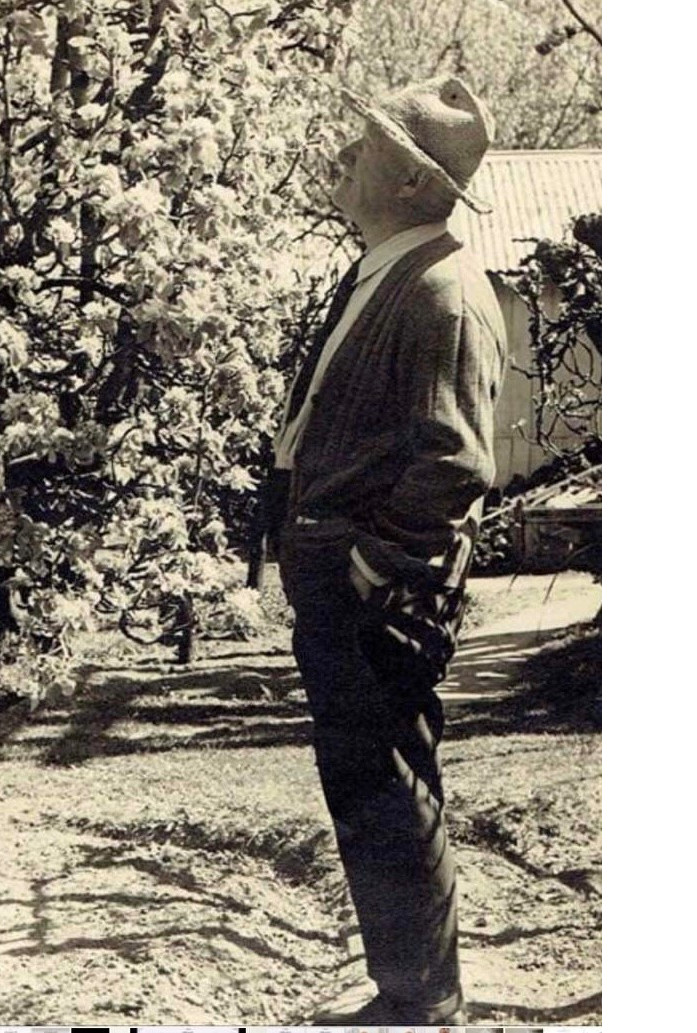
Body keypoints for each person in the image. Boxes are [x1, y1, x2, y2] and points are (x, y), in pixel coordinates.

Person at [267, 76, 507, 1024]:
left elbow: (450, 463)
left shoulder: (441, 290)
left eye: (364, 148)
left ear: (410, 181)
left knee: (390, 787)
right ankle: (404, 990)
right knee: (365, 785)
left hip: (379, 590)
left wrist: (371, 570)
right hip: (341, 577)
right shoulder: (382, 271)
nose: (342, 158)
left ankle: (421, 1003)